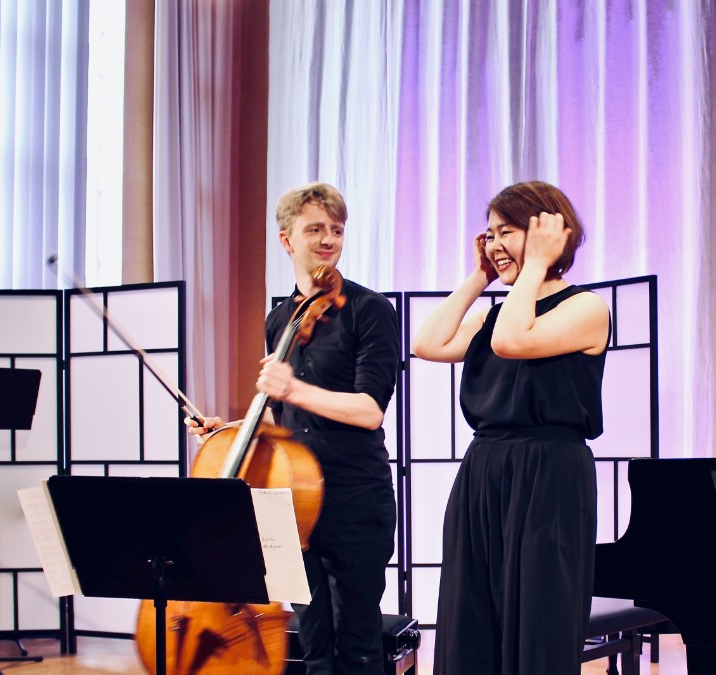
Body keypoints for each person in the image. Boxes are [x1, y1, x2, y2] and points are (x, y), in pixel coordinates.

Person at [189, 181, 399, 674]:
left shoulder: (370, 311)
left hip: (354, 499)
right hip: (294, 500)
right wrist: (229, 430)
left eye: (336, 230)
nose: (328, 239)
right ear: (287, 240)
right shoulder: (279, 318)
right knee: (313, 643)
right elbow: (283, 417)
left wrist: (291, 389)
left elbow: (370, 409)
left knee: (358, 643)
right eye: (315, 230)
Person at [413, 180, 611, 674]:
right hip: (486, 469)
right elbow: (428, 344)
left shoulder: (586, 307)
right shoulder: (494, 313)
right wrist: (477, 278)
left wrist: (539, 265)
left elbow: (512, 343)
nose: (495, 245)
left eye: (507, 232)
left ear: (548, 232)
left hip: (549, 472)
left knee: (539, 615)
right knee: (471, 612)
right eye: (489, 233)